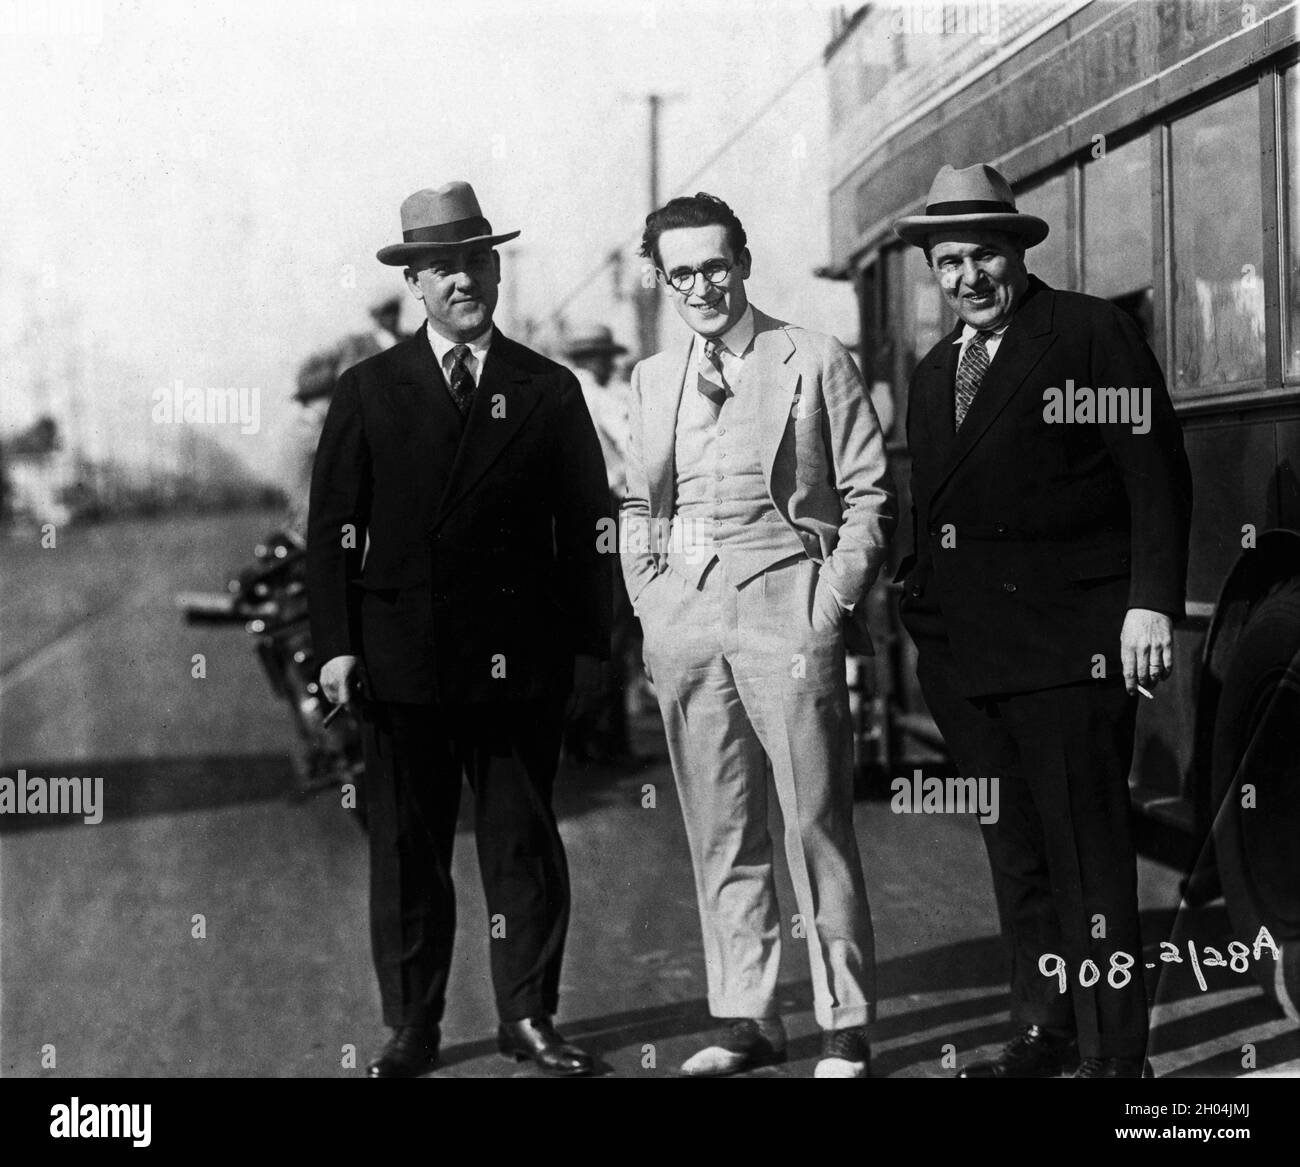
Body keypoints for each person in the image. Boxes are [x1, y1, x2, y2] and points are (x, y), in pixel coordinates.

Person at [892, 163, 1192, 1079]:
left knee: (1090, 858)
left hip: (1073, 652)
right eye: (948, 262)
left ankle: (1114, 1058)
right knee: (1015, 855)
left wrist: (1149, 603)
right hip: (971, 662)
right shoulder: (936, 369)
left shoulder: (1090, 333)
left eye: (982, 254)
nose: (966, 277)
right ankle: (1043, 1028)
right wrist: (922, 615)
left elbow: (1155, 476)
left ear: (1016, 251)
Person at [307, 181, 611, 1078]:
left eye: (475, 261)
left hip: (521, 663)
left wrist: (592, 648)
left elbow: (589, 527)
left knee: (522, 846)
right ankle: (412, 1026)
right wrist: (335, 645)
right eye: (441, 268)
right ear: (416, 284)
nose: (462, 281)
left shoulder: (546, 388)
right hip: (401, 664)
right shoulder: (368, 391)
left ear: (496, 267)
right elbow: (332, 529)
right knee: (408, 854)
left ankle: (530, 1017)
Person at [620, 192, 895, 1078]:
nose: (701, 284)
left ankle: (843, 1022)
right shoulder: (654, 379)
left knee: (815, 821)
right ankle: (746, 1016)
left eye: (714, 264)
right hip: (688, 623)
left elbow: (868, 496)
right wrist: (653, 602)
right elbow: (636, 504)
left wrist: (827, 606)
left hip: (789, 608)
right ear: (662, 279)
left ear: (742, 260)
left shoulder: (812, 357)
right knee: (720, 826)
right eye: (681, 271)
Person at [563, 324, 639, 762]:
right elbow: (632, 446)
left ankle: (583, 733)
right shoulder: (599, 397)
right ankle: (607, 737)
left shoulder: (571, 393)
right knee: (615, 623)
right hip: (608, 509)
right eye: (603, 356)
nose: (609, 362)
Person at [282, 296, 406, 537]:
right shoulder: (353, 345)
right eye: (385, 311)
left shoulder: (411, 342)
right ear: (375, 316)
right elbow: (310, 370)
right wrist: (331, 384)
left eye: (395, 310)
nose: (391, 316)